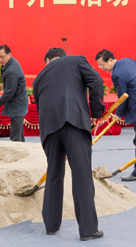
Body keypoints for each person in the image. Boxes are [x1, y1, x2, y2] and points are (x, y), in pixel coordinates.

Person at [33, 48, 105, 241]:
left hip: (49, 130)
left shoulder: (38, 77)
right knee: (81, 175)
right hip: (74, 122)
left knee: (54, 173)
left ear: (47, 60)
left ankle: (51, 224)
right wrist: (96, 112)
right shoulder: (76, 60)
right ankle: (88, 230)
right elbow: (97, 81)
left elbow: (40, 107)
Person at [95, 49, 136, 181]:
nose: (101, 68)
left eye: (102, 65)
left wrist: (119, 114)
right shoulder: (127, 61)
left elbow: (123, 96)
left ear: (110, 60)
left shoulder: (117, 74)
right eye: (99, 66)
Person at [0, 45, 28, 142]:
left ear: (9, 54)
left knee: (16, 136)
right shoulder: (10, 63)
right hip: (17, 102)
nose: (0, 60)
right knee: (19, 133)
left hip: (18, 104)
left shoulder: (12, 70)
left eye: (2, 57)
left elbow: (9, 92)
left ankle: (17, 150)